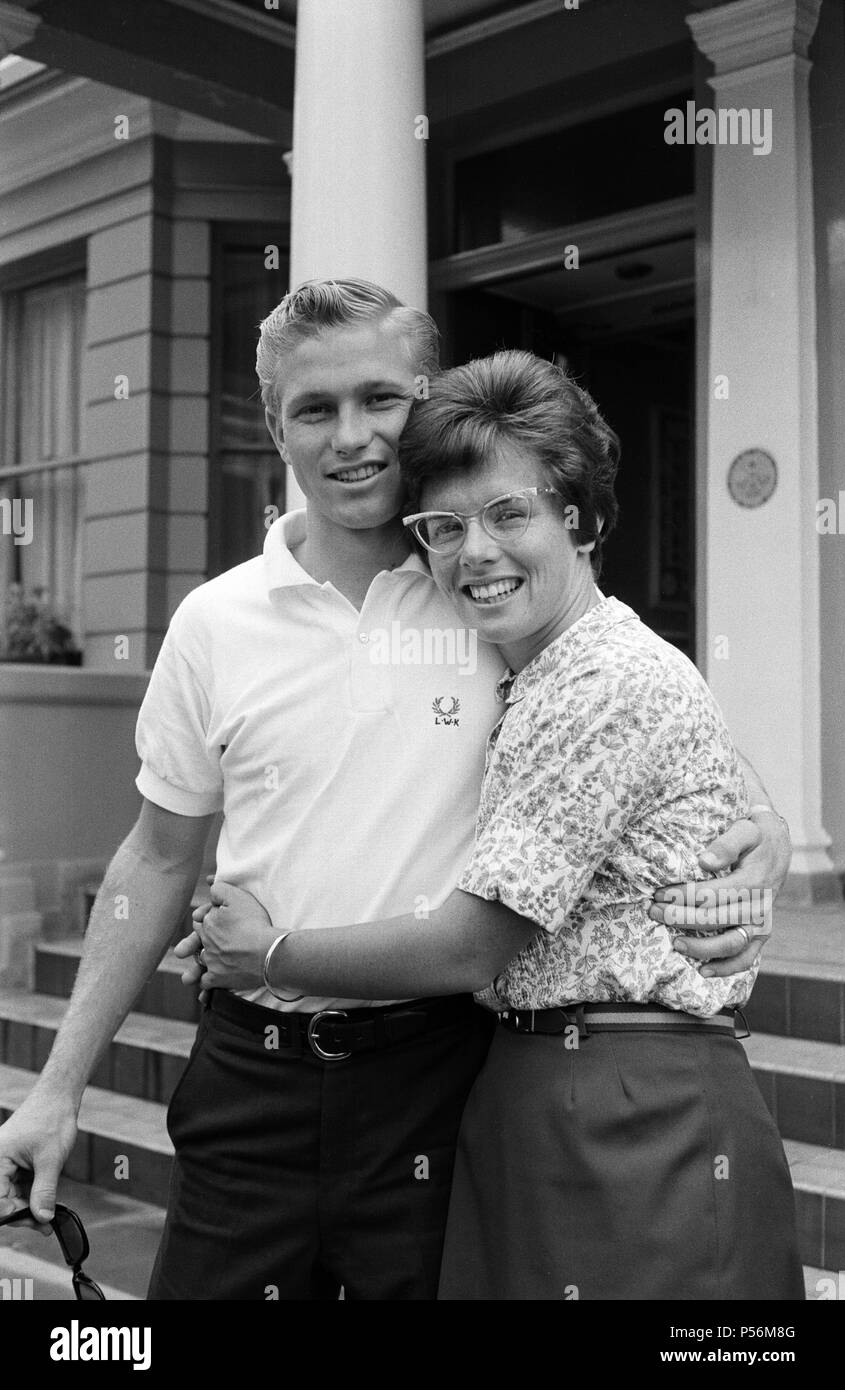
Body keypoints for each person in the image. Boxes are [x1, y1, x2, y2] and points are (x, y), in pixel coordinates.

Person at [0, 282, 789, 1302]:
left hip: (439, 1076)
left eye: (380, 399)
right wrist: (57, 1088)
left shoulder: (486, 586)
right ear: (273, 424)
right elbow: (155, 855)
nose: (352, 436)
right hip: (253, 1070)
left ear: (421, 402)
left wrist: (758, 822)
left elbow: (637, 700)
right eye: (312, 409)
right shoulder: (217, 622)